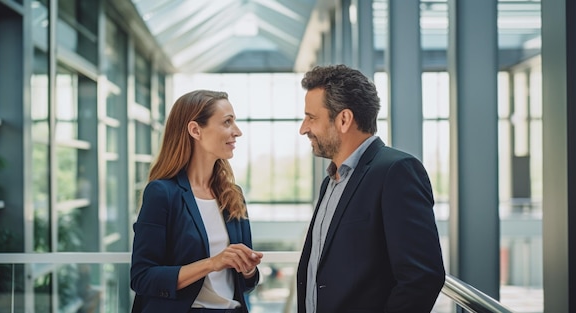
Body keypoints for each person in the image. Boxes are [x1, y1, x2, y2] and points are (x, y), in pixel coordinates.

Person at [296, 64, 446, 313]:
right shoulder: (331, 181)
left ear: (344, 119)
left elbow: (422, 278)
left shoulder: (396, 171)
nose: (303, 128)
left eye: (311, 117)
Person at [130, 90, 263, 313]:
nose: (237, 132)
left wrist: (247, 269)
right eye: (227, 122)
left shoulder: (233, 195)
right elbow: (143, 277)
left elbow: (246, 283)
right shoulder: (162, 193)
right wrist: (213, 263)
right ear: (195, 130)